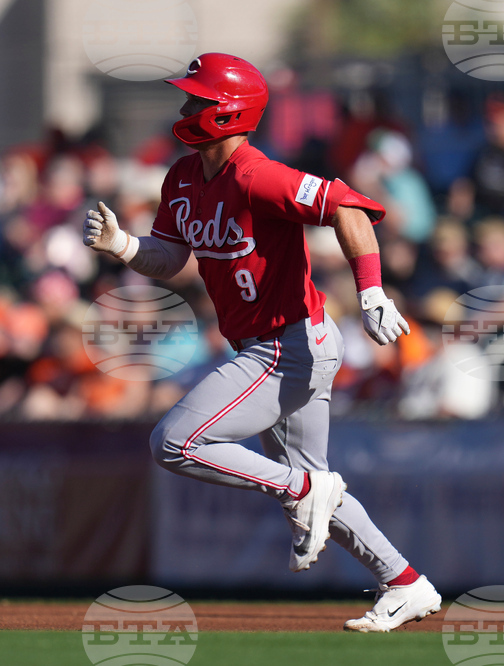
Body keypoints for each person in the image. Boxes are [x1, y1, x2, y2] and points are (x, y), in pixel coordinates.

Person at [81, 53, 440, 632]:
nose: (185, 106)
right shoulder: (182, 175)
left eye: (197, 98)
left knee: (174, 442)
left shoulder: (256, 173)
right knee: (319, 495)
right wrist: (125, 246)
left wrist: (372, 293)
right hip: (269, 344)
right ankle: (406, 583)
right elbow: (172, 257)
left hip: (287, 344)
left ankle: (304, 487)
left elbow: (347, 205)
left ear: (227, 110)